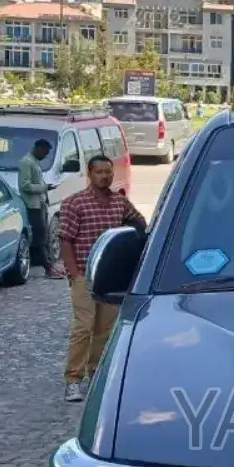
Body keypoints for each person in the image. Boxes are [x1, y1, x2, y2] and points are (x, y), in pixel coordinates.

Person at [60, 154, 147, 403]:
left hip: (109, 278)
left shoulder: (119, 202)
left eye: (108, 172)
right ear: (90, 174)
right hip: (84, 275)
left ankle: (96, 375)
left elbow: (140, 223)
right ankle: (73, 380)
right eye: (99, 172)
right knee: (83, 328)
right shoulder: (74, 203)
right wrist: (73, 274)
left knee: (104, 330)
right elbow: (65, 240)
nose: (104, 176)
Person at [18, 137, 60, 277]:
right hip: (32, 206)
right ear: (38, 149)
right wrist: (45, 188)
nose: (45, 156)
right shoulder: (26, 162)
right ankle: (48, 268)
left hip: (40, 204)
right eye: (45, 153)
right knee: (39, 237)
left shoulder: (34, 162)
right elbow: (25, 185)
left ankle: (50, 266)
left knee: (44, 236)